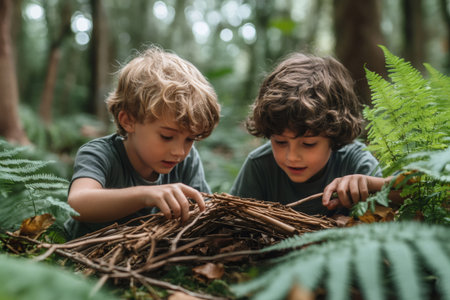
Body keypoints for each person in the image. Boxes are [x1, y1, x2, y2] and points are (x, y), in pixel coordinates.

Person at [65, 46, 220, 239]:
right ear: (128, 121)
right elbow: (77, 204)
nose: (180, 152)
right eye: (166, 136)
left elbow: (203, 213)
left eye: (190, 139)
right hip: (80, 261)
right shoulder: (100, 154)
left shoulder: (187, 161)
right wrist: (146, 195)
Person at [229, 52, 390, 216]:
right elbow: (232, 226)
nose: (292, 157)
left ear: (333, 138)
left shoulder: (356, 163)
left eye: (308, 144)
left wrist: (373, 185)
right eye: (280, 142)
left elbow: (405, 196)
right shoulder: (259, 166)